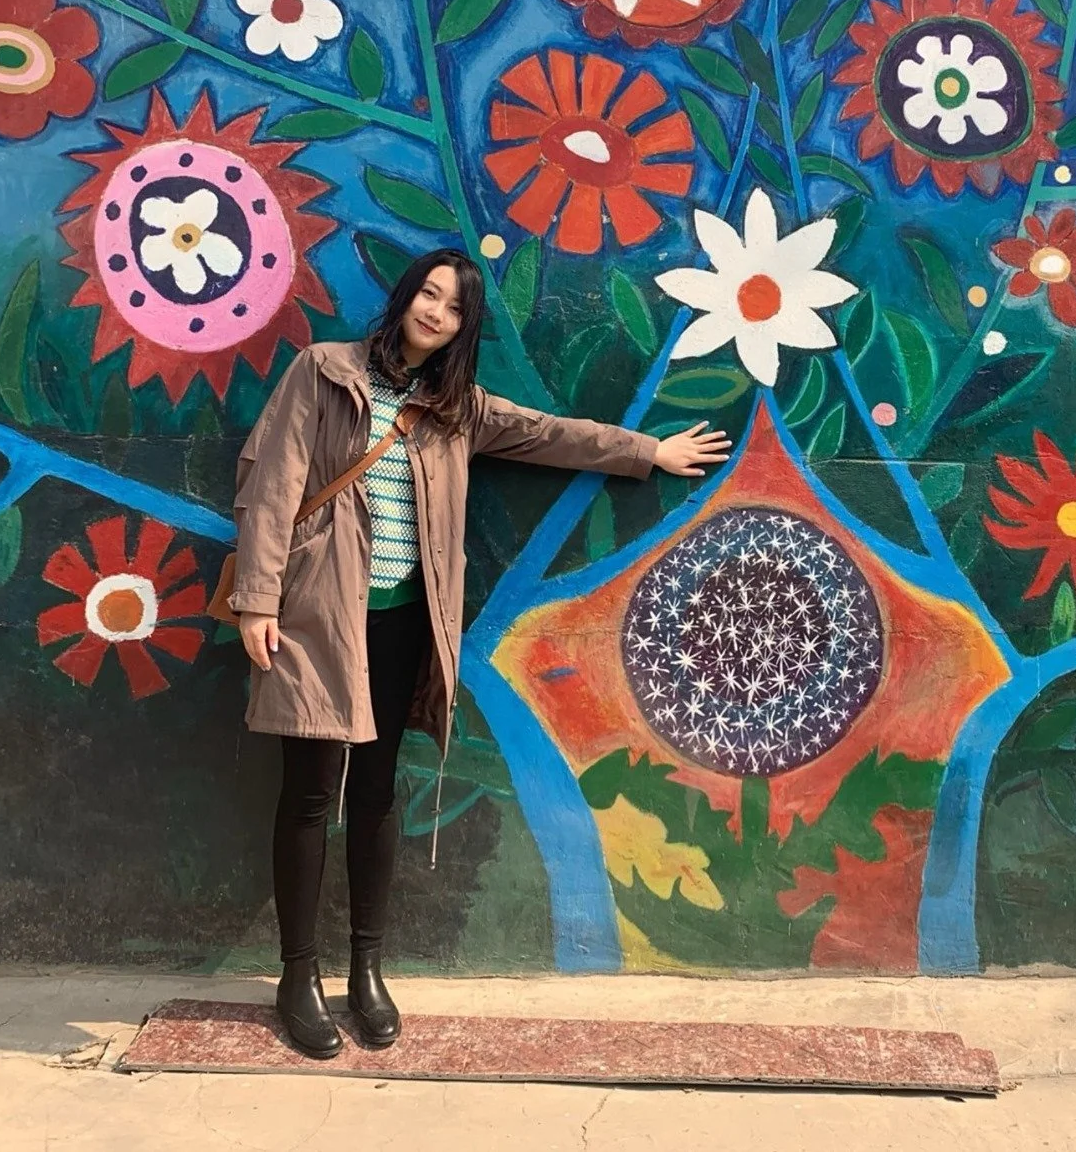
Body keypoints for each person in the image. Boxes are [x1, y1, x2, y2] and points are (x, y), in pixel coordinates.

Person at [229, 246, 731, 1058]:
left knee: (378, 792)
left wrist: (648, 452)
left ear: (464, 326)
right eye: (428, 294)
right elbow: (271, 484)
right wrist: (257, 599)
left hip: (405, 623)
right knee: (312, 794)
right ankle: (298, 976)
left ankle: (366, 969)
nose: (435, 312)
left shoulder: (457, 409)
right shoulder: (324, 372)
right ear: (405, 296)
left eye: (454, 306)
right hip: (318, 619)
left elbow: (549, 435)